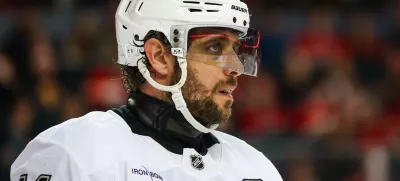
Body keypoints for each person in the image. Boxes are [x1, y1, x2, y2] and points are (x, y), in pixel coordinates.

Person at [10, 0, 282, 180]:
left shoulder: (255, 169)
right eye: (214, 48)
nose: (235, 67)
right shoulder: (73, 154)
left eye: (235, 50)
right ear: (159, 57)